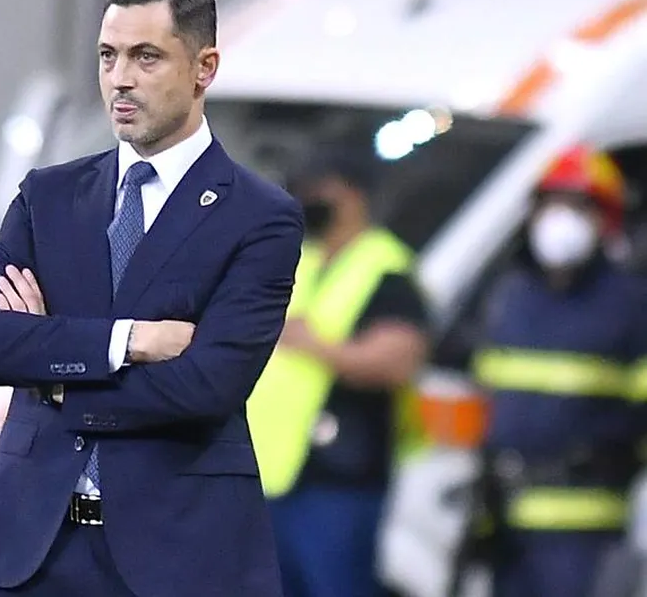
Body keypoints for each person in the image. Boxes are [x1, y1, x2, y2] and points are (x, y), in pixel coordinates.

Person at [0, 0, 304, 597]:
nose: (120, 78)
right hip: (32, 555)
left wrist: (54, 373)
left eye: (146, 57)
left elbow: (206, 385)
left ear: (204, 68)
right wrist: (127, 341)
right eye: (107, 56)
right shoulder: (48, 197)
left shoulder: (259, 217)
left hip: (176, 561)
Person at [460, 145, 647, 597]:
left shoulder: (631, 305)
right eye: (552, 203)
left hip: (586, 530)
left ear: (605, 220)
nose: (561, 218)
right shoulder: (510, 296)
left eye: (578, 206)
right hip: (505, 521)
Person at [245, 146, 432, 597]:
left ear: (353, 196)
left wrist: (317, 346)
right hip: (272, 474)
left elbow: (398, 360)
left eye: (318, 190)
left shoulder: (387, 269)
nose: (307, 199)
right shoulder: (299, 260)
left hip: (339, 478)